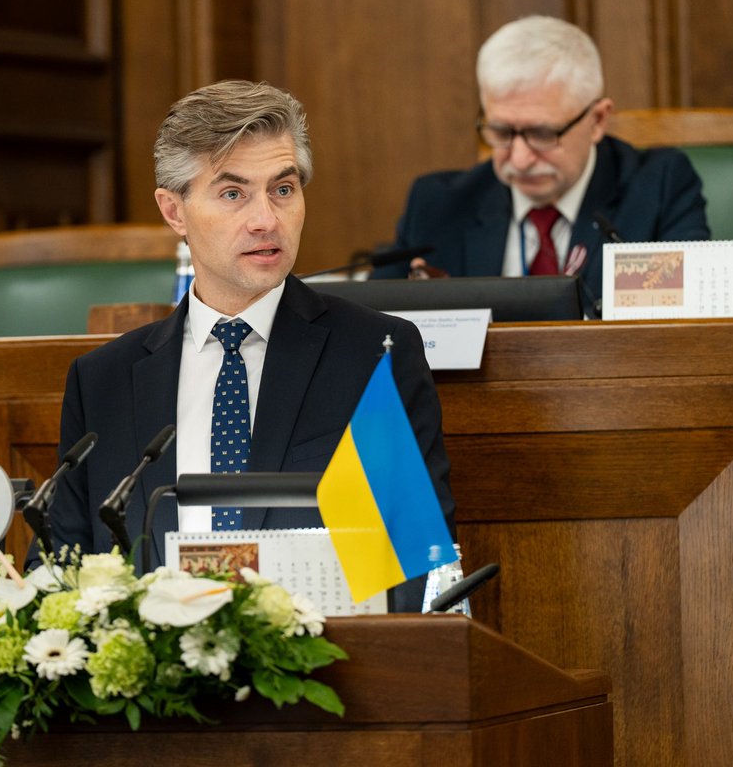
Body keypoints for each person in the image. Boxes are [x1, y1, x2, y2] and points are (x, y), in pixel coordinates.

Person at [33, 80, 454, 612]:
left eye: (283, 189)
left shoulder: (373, 354)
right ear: (173, 211)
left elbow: (415, 567)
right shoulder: (104, 382)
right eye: (233, 194)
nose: (266, 220)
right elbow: (57, 572)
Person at [374, 15, 711, 304]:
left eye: (542, 134)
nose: (520, 160)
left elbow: (686, 321)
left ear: (597, 121)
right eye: (502, 132)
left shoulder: (660, 187)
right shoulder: (438, 205)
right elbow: (376, 327)